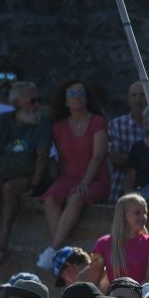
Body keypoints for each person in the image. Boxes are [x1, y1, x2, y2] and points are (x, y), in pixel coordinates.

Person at [38, 81, 110, 269]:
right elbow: (53, 156)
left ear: (87, 98)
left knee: (76, 197)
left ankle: (53, 249)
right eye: (72, 94)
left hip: (94, 179)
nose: (77, 97)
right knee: (50, 198)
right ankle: (63, 251)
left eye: (81, 93)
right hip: (67, 178)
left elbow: (98, 156)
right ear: (65, 101)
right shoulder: (58, 126)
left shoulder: (97, 122)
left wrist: (85, 182)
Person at [0, 81, 52, 262]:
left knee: (9, 189)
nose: (37, 105)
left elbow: (42, 156)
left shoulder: (43, 124)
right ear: (18, 102)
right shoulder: (3, 121)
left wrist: (34, 185)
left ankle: (2, 243)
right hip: (3, 171)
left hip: (28, 175)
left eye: (38, 100)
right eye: (32, 101)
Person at [83, 193, 149, 287]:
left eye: (145, 213)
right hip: (114, 297)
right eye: (137, 213)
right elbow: (93, 280)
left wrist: (131, 296)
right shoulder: (103, 243)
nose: (143, 217)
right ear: (123, 216)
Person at [106, 80, 149, 203]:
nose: (138, 99)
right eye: (134, 95)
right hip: (119, 184)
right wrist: (148, 160)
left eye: (142, 95)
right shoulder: (116, 124)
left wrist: (129, 158)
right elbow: (115, 159)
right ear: (128, 99)